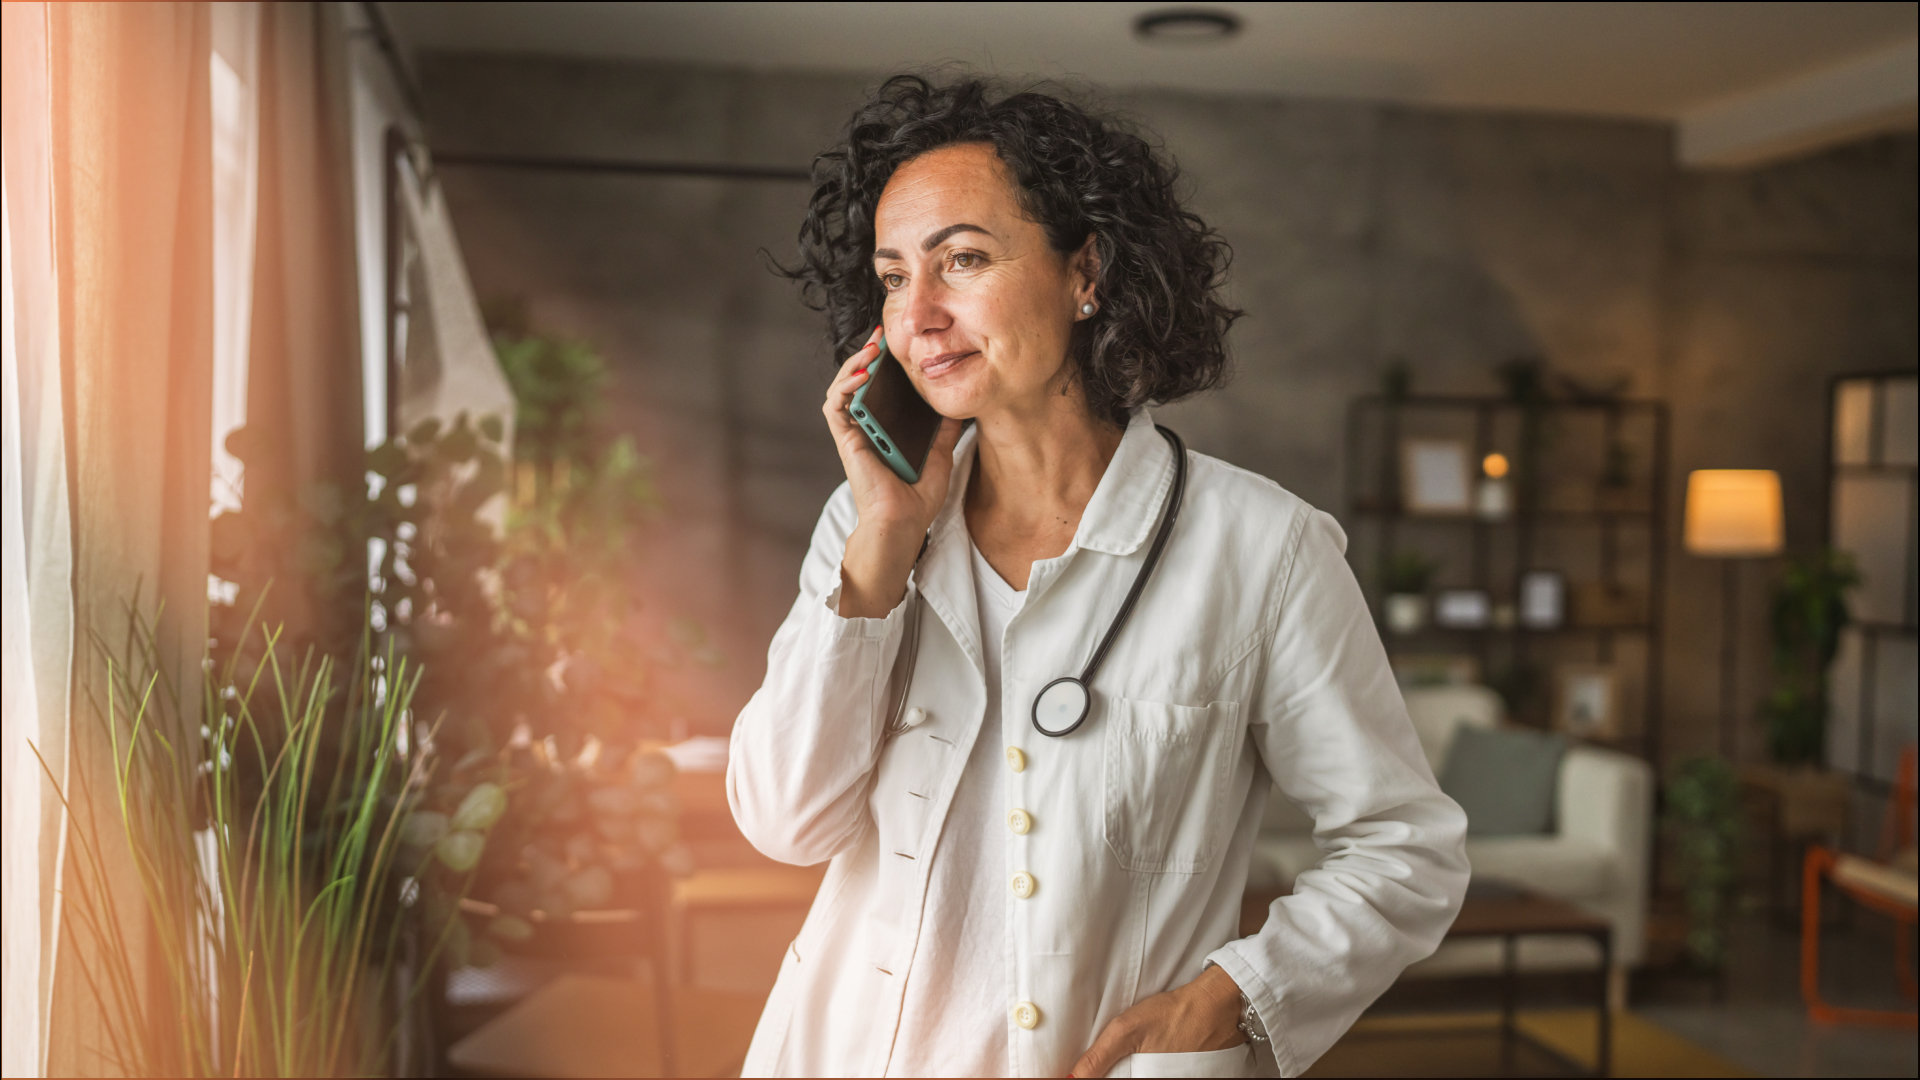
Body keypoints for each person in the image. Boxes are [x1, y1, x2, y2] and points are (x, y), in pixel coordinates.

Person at [727, 75, 1468, 1079]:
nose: (921, 315)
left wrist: (1235, 996)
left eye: (965, 261)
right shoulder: (870, 525)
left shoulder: (1263, 549)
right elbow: (785, 822)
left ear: (1087, 274)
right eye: (895, 277)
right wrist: (882, 545)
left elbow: (1405, 847)